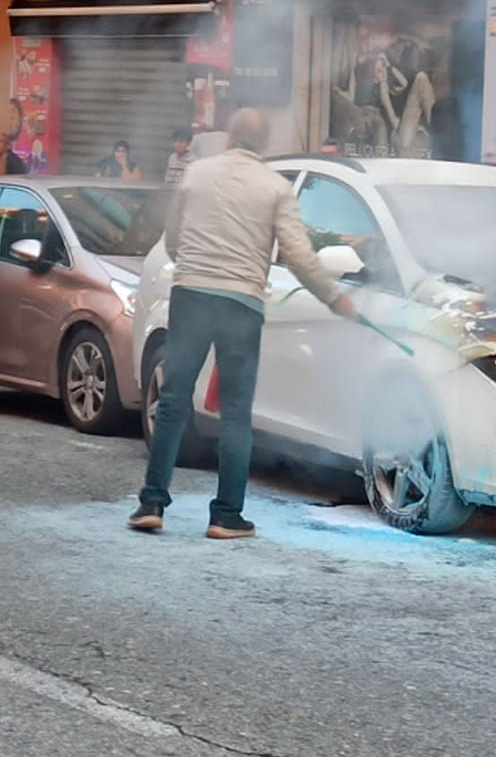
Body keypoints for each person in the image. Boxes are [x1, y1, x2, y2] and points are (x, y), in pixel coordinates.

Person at [129, 108, 354, 539]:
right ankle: (225, 515)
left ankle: (152, 502)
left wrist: (195, 269)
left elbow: (173, 238)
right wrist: (334, 296)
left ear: (230, 137)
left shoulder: (195, 174)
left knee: (174, 399)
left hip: (191, 294)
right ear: (264, 143)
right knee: (235, 412)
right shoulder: (275, 187)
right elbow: (300, 255)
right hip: (242, 303)